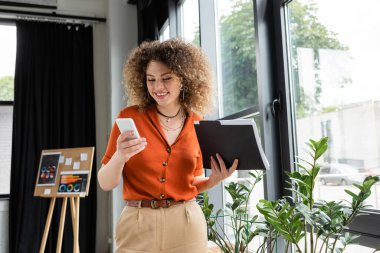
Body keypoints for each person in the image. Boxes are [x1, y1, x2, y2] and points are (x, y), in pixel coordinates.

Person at [98, 38, 238, 253]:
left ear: (184, 79)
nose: (158, 87)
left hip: (186, 223)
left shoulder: (197, 123)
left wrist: (214, 180)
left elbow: (193, 181)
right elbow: (105, 183)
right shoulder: (129, 118)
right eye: (151, 79)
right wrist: (120, 156)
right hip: (137, 225)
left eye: (167, 78)